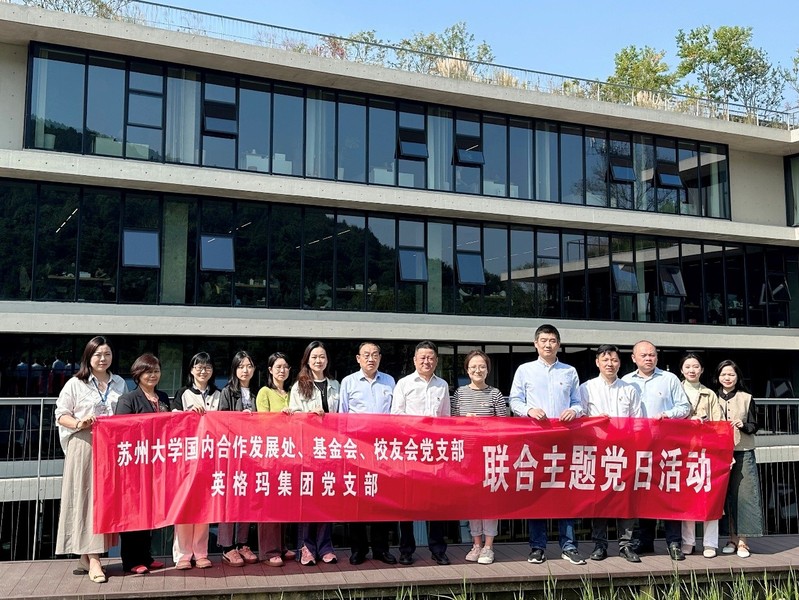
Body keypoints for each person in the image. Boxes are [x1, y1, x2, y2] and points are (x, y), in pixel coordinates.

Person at [509, 324, 585, 566]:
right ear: (535, 344)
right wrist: (529, 410)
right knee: (537, 492)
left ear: (559, 344)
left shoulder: (569, 371)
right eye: (543, 340)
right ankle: (537, 546)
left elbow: (579, 402)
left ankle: (569, 546)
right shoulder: (525, 370)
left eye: (552, 340)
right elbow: (514, 400)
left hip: (564, 439)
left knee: (566, 492)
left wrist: (574, 411)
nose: (548, 345)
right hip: (535, 440)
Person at [54, 335, 127, 584]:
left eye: (107, 354)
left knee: (104, 499)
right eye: (98, 354)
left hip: (111, 445)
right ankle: (95, 559)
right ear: (88, 356)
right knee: (86, 498)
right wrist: (79, 423)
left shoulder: (119, 383)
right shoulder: (76, 383)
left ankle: (86, 557)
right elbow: (61, 414)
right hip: (84, 443)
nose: (103, 358)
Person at [622, 340, 690, 561]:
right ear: (634, 358)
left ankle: (674, 543)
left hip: (666, 445)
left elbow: (685, 407)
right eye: (643, 355)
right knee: (643, 494)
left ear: (657, 357)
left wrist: (667, 415)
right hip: (638, 446)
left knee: (669, 494)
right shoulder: (626, 381)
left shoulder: (669, 379)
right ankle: (645, 541)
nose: (648, 358)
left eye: (652, 355)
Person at [578, 344, 642, 563]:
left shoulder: (629, 389)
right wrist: (595, 422)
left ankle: (626, 545)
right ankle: (600, 545)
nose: (610, 364)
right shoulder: (586, 388)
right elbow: (580, 418)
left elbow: (637, 421)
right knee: (600, 498)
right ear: (597, 362)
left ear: (620, 363)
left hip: (625, 451)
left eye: (614, 360)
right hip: (597, 450)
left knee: (626, 498)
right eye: (605, 360)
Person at [391, 340, 451, 566]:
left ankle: (438, 550)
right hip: (410, 450)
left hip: (435, 452)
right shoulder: (404, 383)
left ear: (436, 361)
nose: (427, 361)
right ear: (415, 360)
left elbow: (446, 418)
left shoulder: (442, 385)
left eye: (431, 358)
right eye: (422, 357)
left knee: (436, 503)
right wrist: (418, 426)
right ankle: (406, 550)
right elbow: (396, 416)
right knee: (407, 503)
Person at [338, 342, 398, 566]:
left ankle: (381, 549)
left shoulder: (389, 381)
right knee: (357, 499)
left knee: (381, 500)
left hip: (382, 450)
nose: (370, 359)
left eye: (374, 355)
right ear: (358, 358)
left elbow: (395, 416)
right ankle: (358, 549)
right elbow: (342, 416)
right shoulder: (348, 382)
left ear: (380, 357)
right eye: (366, 355)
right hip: (357, 449)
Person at [114, 353, 169, 574]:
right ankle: (131, 560)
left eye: (156, 371)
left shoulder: (162, 397)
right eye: (148, 371)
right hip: (135, 464)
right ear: (138, 374)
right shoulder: (128, 399)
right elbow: (121, 431)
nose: (153, 375)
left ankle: (146, 556)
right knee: (133, 512)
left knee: (150, 511)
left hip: (157, 463)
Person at [452, 349, 507, 566]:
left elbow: (504, 426)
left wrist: (484, 425)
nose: (477, 370)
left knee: (490, 502)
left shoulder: (495, 394)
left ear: (488, 370)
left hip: (490, 455)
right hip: (467, 455)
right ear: (467, 370)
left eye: (482, 366)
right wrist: (465, 421)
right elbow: (451, 424)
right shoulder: (459, 393)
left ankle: (489, 546)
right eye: (473, 367)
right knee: (472, 501)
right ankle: (476, 543)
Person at [289, 341, 340, 566]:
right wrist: (310, 414)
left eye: (322, 357)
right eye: (314, 357)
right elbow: (292, 418)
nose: (319, 361)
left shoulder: (335, 385)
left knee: (326, 498)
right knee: (308, 498)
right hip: (308, 450)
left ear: (327, 360)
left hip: (331, 450)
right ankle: (306, 547)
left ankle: (325, 547)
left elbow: (343, 416)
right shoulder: (299, 386)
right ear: (307, 361)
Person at [170, 352, 221, 570]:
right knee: (184, 506)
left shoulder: (219, 394)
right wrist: (189, 413)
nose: (203, 370)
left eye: (207, 367)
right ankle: (183, 554)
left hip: (211, 458)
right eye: (198, 367)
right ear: (191, 370)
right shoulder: (182, 393)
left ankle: (200, 553)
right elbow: (173, 421)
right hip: (187, 459)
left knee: (204, 507)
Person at [715, 359, 763, 558]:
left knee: (744, 495)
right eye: (723, 374)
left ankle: (743, 541)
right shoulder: (712, 397)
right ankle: (731, 539)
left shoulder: (746, 397)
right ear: (718, 376)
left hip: (743, 450)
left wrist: (743, 425)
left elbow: (755, 425)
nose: (727, 378)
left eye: (731, 374)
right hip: (718, 452)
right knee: (724, 495)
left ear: (737, 377)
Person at [217, 351, 259, 567]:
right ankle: (227, 547)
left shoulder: (257, 393)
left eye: (249, 366)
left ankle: (243, 543)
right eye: (241, 366)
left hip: (252, 454)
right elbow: (221, 421)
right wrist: (240, 419)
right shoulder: (227, 392)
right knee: (229, 499)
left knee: (246, 499)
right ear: (234, 369)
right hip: (232, 455)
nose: (245, 370)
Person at [679, 353, 724, 558]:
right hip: (683, 451)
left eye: (695, 366)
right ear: (681, 370)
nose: (692, 370)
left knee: (710, 498)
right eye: (688, 366)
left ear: (702, 370)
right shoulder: (676, 391)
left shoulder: (709, 394)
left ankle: (710, 543)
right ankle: (688, 541)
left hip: (707, 452)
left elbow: (719, 424)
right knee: (686, 498)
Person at [254, 351, 296, 566]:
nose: (282, 370)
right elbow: (263, 423)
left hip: (289, 454)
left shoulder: (292, 392)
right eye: (278, 367)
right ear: (270, 370)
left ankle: (282, 545)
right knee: (269, 502)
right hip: (270, 454)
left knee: (284, 500)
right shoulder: (265, 392)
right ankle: (269, 550)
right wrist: (282, 417)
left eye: (286, 367)